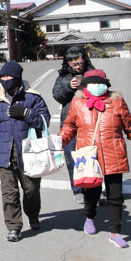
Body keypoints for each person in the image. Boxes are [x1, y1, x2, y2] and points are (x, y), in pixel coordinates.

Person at [59, 69, 131, 248]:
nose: (96, 86)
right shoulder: (77, 103)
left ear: (106, 85)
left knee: (115, 195)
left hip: (114, 154)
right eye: (91, 83)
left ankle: (115, 232)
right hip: (88, 156)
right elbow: (69, 127)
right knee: (91, 193)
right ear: (85, 86)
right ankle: (90, 217)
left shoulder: (117, 103)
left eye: (99, 83)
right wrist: (57, 143)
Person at [0, 61, 52, 243]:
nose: (5, 80)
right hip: (4, 156)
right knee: (9, 194)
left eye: (8, 76)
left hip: (29, 155)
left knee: (31, 190)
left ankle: (33, 215)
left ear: (17, 78)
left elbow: (44, 121)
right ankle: (13, 227)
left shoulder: (33, 98)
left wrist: (27, 113)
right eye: (2, 77)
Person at [51, 46, 95, 204]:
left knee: (92, 157)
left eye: (79, 62)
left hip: (91, 124)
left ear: (84, 59)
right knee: (72, 158)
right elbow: (57, 96)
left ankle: (94, 189)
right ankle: (77, 189)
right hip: (70, 124)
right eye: (73, 64)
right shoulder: (63, 77)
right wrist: (70, 87)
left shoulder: (93, 74)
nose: (77, 66)